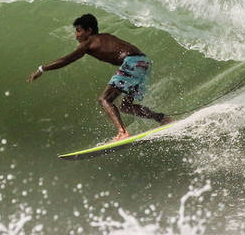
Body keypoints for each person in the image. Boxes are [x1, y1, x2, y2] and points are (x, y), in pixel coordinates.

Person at [27, 13, 172, 141]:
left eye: (78, 31)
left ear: (89, 31)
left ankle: (122, 133)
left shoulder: (89, 42)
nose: (76, 35)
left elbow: (67, 60)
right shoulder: (106, 37)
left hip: (132, 63)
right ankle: (162, 118)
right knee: (126, 106)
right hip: (143, 62)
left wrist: (42, 69)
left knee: (104, 99)